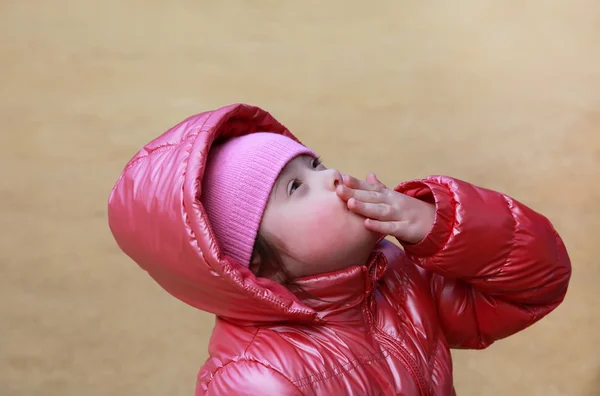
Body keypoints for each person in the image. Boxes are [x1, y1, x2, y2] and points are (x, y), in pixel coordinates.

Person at [108, 103, 571, 395]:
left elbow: (535, 284)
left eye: (316, 164)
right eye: (296, 187)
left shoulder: (395, 276)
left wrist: (438, 224)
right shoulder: (255, 379)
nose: (331, 177)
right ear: (252, 264)